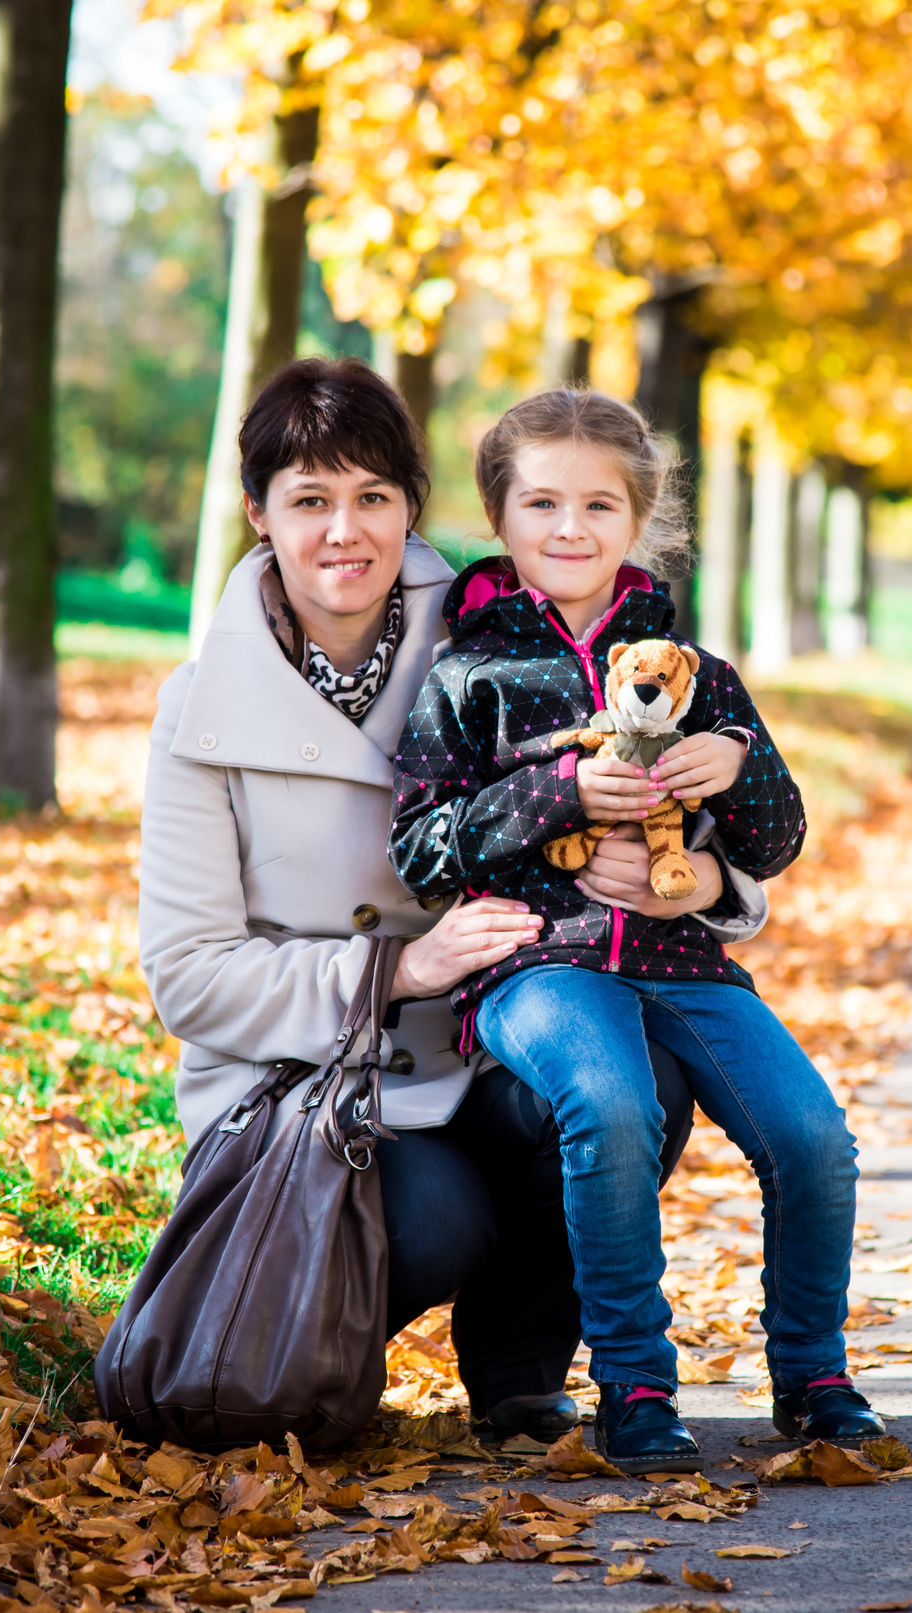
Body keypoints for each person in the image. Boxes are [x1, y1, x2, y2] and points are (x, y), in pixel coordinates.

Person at [136, 359, 767, 1445]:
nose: (346, 532)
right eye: (309, 500)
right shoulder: (204, 706)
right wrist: (400, 968)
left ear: (409, 507)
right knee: (439, 1216)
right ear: (258, 514)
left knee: (635, 1083)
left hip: (499, 1028)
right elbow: (189, 972)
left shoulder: (498, 632)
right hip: (312, 1080)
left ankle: (520, 1374)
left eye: (373, 497)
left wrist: (710, 883)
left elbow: (653, 765)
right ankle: (312, 1331)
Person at [388, 388, 878, 1475]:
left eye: (599, 504)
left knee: (813, 1138)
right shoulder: (470, 672)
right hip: (537, 963)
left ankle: (813, 1376)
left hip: (682, 961)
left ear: (640, 521)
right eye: (542, 502)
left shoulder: (694, 673)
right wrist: (565, 790)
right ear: (501, 517)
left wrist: (737, 779)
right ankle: (634, 1384)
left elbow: (780, 836)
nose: (570, 527)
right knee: (610, 1103)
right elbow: (421, 847)